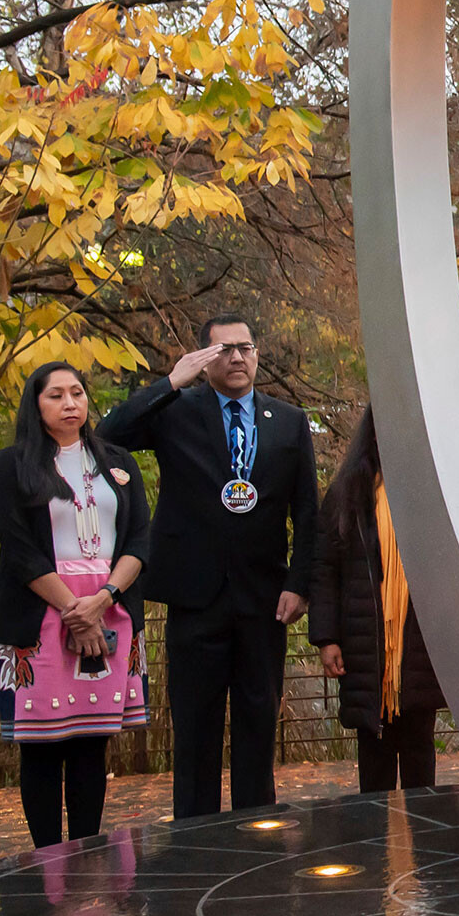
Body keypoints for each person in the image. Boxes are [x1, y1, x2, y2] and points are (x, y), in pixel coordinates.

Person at [100, 315, 319, 818]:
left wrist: (299, 583)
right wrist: (171, 382)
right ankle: (194, 843)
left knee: (257, 724)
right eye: (223, 350)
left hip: (265, 600)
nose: (237, 358)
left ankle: (255, 835)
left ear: (257, 353)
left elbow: (307, 510)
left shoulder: (286, 420)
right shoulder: (177, 410)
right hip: (195, 598)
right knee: (195, 730)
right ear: (203, 359)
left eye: (245, 347)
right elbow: (109, 435)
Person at [0, 364, 151, 847]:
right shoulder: (11, 465)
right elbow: (18, 548)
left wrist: (102, 601)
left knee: (90, 747)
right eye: (55, 395)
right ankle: (46, 863)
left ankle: (86, 856)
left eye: (77, 393)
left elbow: (139, 538)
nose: (69, 403)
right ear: (35, 406)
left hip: (111, 608)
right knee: (41, 749)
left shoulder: (118, 462)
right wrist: (73, 611)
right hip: (40, 615)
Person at [308, 409, 446, 793]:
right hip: (364, 640)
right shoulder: (347, 493)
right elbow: (323, 569)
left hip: (418, 641)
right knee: (373, 745)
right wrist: (326, 638)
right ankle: (373, 840)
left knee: (420, 743)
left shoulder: (433, 493)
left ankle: (425, 838)